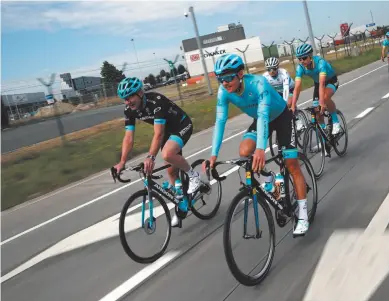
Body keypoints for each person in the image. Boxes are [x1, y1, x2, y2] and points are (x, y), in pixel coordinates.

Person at [204, 53, 310, 236]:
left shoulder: (258, 84)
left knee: (291, 164)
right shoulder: (224, 92)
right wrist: (213, 155)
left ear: (240, 74)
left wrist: (261, 149)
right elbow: (220, 121)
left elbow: (262, 116)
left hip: (280, 117)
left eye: (228, 77)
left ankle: (303, 215)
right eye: (220, 79)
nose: (225, 83)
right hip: (262, 120)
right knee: (244, 151)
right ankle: (269, 179)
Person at [113, 77, 200, 227]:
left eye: (130, 97)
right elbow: (128, 137)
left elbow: (158, 134)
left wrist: (150, 157)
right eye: (124, 99)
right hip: (167, 131)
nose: (127, 102)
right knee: (171, 171)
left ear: (140, 93)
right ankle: (181, 204)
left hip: (181, 125)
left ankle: (194, 176)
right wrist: (122, 161)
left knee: (167, 154)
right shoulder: (129, 110)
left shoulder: (156, 101)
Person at [290, 43, 341, 136]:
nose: (302, 61)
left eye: (304, 58)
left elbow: (322, 84)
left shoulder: (320, 63)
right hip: (318, 83)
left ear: (310, 56)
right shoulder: (300, 67)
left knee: (325, 97)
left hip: (330, 81)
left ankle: (336, 122)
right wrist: (293, 105)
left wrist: (322, 102)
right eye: (299, 59)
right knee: (316, 110)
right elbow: (297, 87)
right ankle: (324, 131)